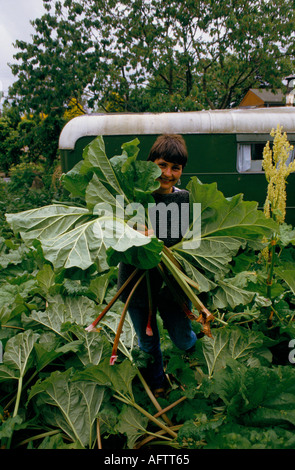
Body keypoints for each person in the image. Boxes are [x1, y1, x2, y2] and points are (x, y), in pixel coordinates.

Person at [117, 134, 197, 395]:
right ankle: (158, 384)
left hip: (172, 285)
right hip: (137, 286)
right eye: (162, 165)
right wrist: (130, 230)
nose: (168, 173)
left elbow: (181, 241)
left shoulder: (183, 198)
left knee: (183, 338)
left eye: (176, 168)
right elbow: (114, 237)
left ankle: (196, 371)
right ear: (150, 164)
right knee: (148, 342)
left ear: (182, 171)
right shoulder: (130, 196)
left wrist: (152, 237)